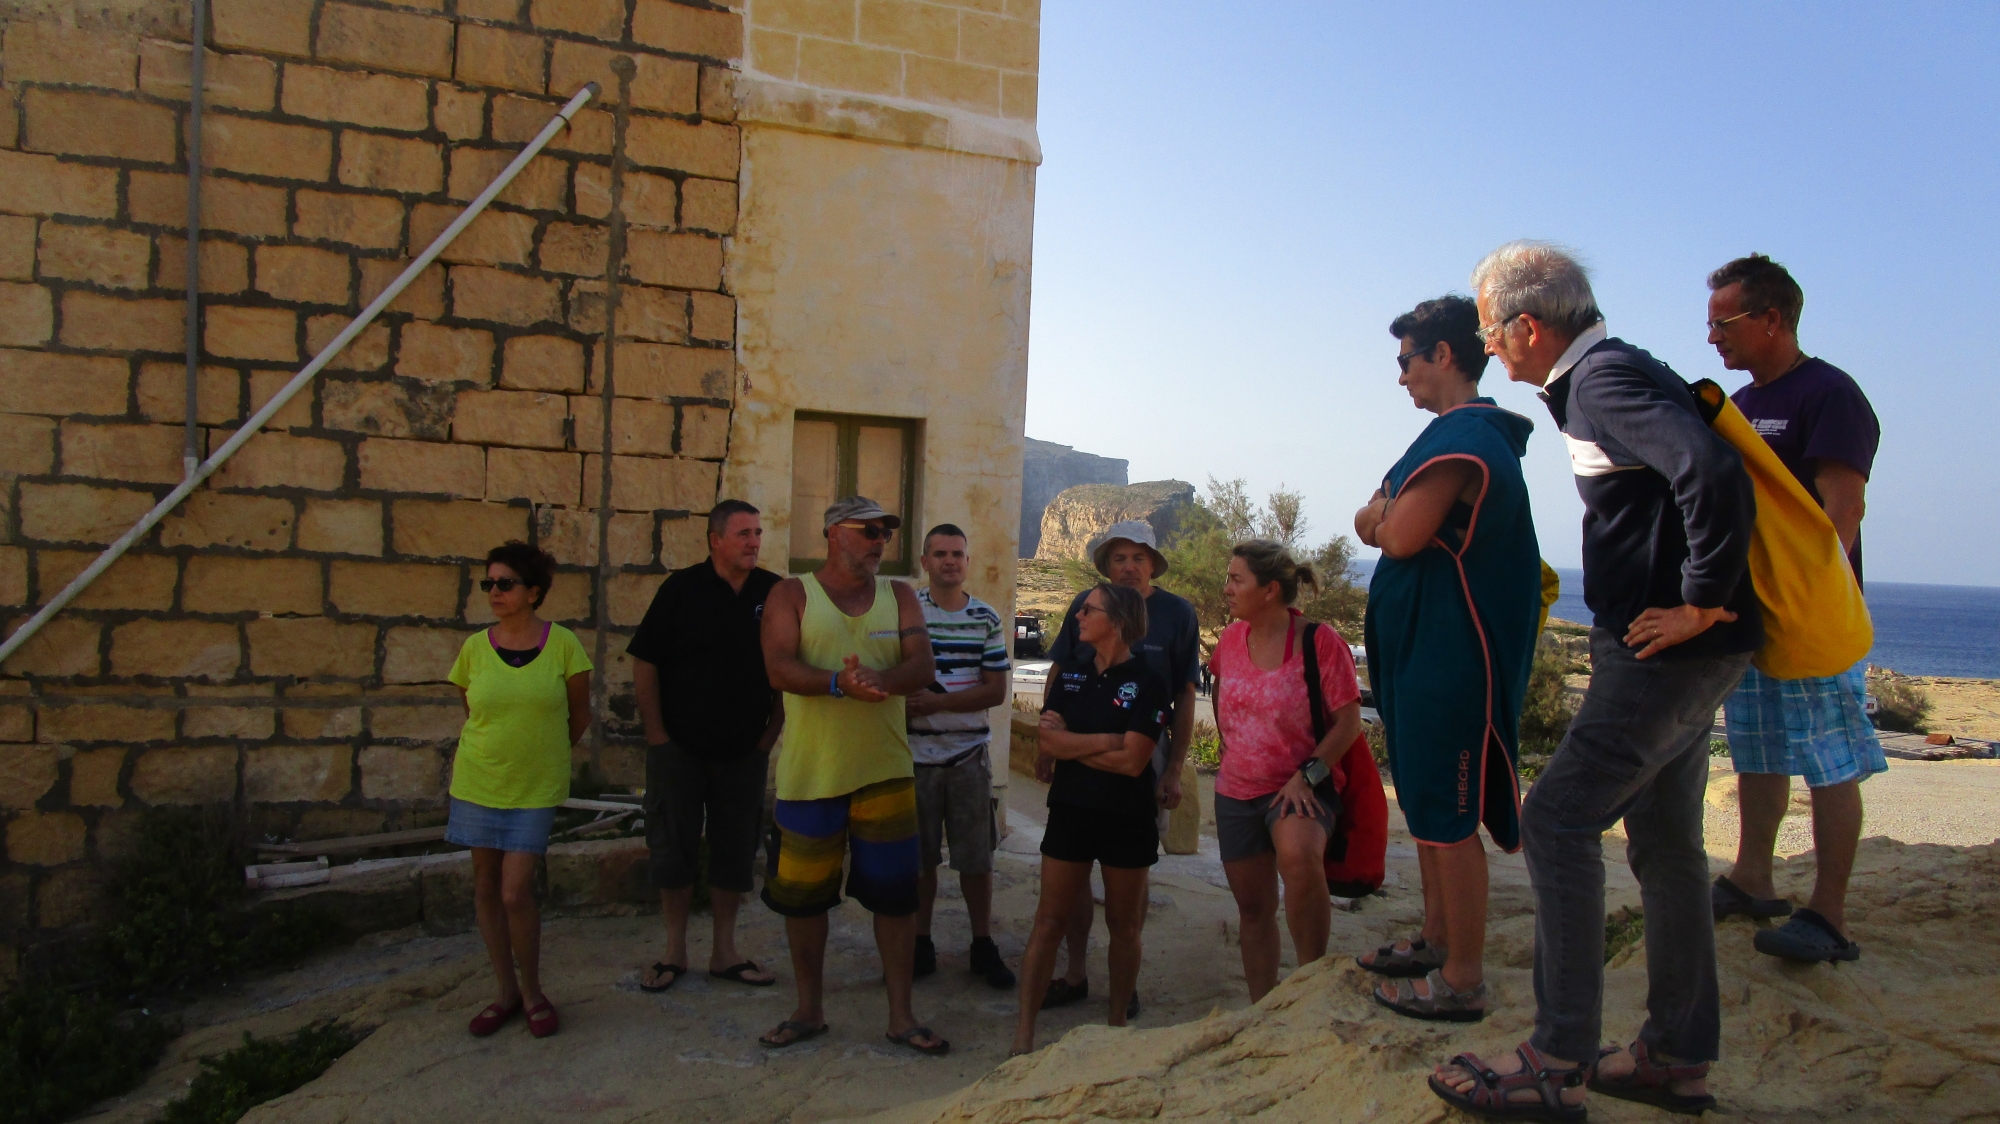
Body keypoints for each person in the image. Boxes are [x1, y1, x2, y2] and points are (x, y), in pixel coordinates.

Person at [1429, 242, 1760, 1120]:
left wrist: (1699, 602)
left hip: (1665, 651)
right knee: (1664, 844)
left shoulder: (1603, 384)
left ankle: (1557, 1052)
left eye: (1491, 333)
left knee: (1560, 820)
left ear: (1528, 327)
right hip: (1683, 652)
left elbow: (1712, 470)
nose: (1489, 350)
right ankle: (1676, 1054)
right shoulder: (1616, 374)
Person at [1354, 295, 1542, 1022]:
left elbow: (1395, 532)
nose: (1400, 378)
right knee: (1428, 810)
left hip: (1450, 659)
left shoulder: (1471, 439)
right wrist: (1381, 514)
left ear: (1443, 355)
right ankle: (1435, 940)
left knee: (1450, 818)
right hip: (1418, 658)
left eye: (1407, 362)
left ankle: (1463, 977)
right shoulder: (1439, 438)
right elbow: (1375, 512)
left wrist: (1381, 516)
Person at [1705, 254, 1884, 963]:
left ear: (1771, 319)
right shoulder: (1741, 408)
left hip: (1811, 617)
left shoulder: (1830, 395)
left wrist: (1811, 597)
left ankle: (1829, 915)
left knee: (1829, 759)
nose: (1714, 338)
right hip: (1752, 614)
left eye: (1725, 323)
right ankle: (1753, 877)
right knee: (1756, 750)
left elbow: (1844, 509)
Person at [756, 497, 946, 1055]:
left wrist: (880, 681)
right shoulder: (792, 594)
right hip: (811, 775)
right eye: (868, 531)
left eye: (886, 532)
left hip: (885, 773)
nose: (879, 540)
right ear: (833, 534)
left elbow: (923, 666)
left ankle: (901, 1017)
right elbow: (778, 667)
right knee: (804, 901)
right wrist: (840, 685)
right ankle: (808, 1010)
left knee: (895, 899)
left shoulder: (900, 595)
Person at [1040, 520, 1199, 1016]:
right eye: (1118, 559)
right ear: (1107, 567)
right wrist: (1049, 745)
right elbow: (1061, 672)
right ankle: (1075, 972)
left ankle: (1123, 985)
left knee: (1130, 866)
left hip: (1144, 749)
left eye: (1138, 557)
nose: (1128, 566)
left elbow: (1184, 694)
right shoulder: (1089, 607)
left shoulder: (1177, 613)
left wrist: (1173, 769)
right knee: (1074, 868)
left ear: (1152, 563)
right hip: (1080, 741)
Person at [627, 499, 782, 994]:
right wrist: (657, 737)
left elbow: (789, 665)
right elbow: (645, 661)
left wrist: (768, 738)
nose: (754, 541)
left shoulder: (773, 592)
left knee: (735, 852)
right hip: (680, 749)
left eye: (757, 532)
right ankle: (674, 952)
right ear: (715, 540)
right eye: (743, 533)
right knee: (673, 849)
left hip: (744, 753)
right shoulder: (681, 589)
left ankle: (724, 952)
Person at [1012, 582, 1168, 1056]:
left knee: (1124, 927)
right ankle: (1023, 1038)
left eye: (1088, 610)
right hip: (1071, 811)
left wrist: (1074, 747)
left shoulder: (1149, 680)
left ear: (1116, 622)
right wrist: (1107, 740)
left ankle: (1116, 1027)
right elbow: (1048, 743)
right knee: (1048, 919)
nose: (1077, 616)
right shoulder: (1072, 673)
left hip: (1127, 817)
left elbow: (1134, 763)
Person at [447, 542, 594, 1040]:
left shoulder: (564, 646)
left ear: (533, 592)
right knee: (486, 887)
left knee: (515, 891)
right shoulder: (473, 648)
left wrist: (545, 755)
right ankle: (504, 992)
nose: (494, 592)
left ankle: (533, 991)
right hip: (478, 779)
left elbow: (579, 716)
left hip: (533, 788)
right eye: (488, 583)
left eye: (505, 584)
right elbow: (474, 710)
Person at [1209, 541, 1362, 1002]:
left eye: (1237, 580)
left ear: (1270, 589)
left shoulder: (1319, 641)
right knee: (1253, 908)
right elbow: (1219, 696)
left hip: (1300, 786)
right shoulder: (1230, 640)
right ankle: (1263, 1007)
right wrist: (1232, 749)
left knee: (1298, 858)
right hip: (1236, 791)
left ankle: (1309, 986)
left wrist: (1307, 775)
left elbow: (1350, 721)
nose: (1227, 588)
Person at [906, 524, 1017, 989]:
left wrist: (937, 702)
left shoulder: (986, 618)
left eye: (958, 553)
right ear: (925, 562)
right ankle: (919, 942)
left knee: (976, 859)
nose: (950, 561)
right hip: (914, 757)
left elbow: (995, 690)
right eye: (940, 553)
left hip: (970, 756)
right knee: (920, 860)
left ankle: (981, 944)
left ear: (967, 562)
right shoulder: (908, 614)